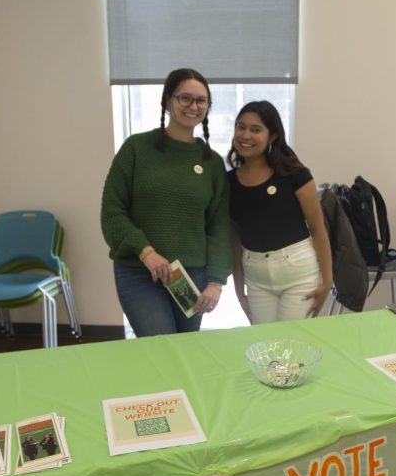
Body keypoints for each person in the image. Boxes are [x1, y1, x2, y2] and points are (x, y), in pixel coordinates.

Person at [101, 67, 231, 337]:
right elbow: (112, 213)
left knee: (184, 350)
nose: (193, 106)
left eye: (201, 100)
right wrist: (145, 251)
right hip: (139, 273)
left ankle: (183, 384)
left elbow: (219, 227)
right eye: (185, 98)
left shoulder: (212, 163)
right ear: (168, 101)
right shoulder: (136, 149)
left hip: (190, 277)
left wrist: (217, 282)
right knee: (161, 346)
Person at [228, 100, 332, 323]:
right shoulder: (228, 181)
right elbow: (235, 239)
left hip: (299, 273)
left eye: (256, 130)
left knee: (293, 348)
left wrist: (327, 282)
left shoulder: (295, 174)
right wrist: (238, 289)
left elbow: (318, 229)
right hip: (256, 277)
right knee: (267, 349)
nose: (245, 135)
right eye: (241, 126)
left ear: (272, 136)